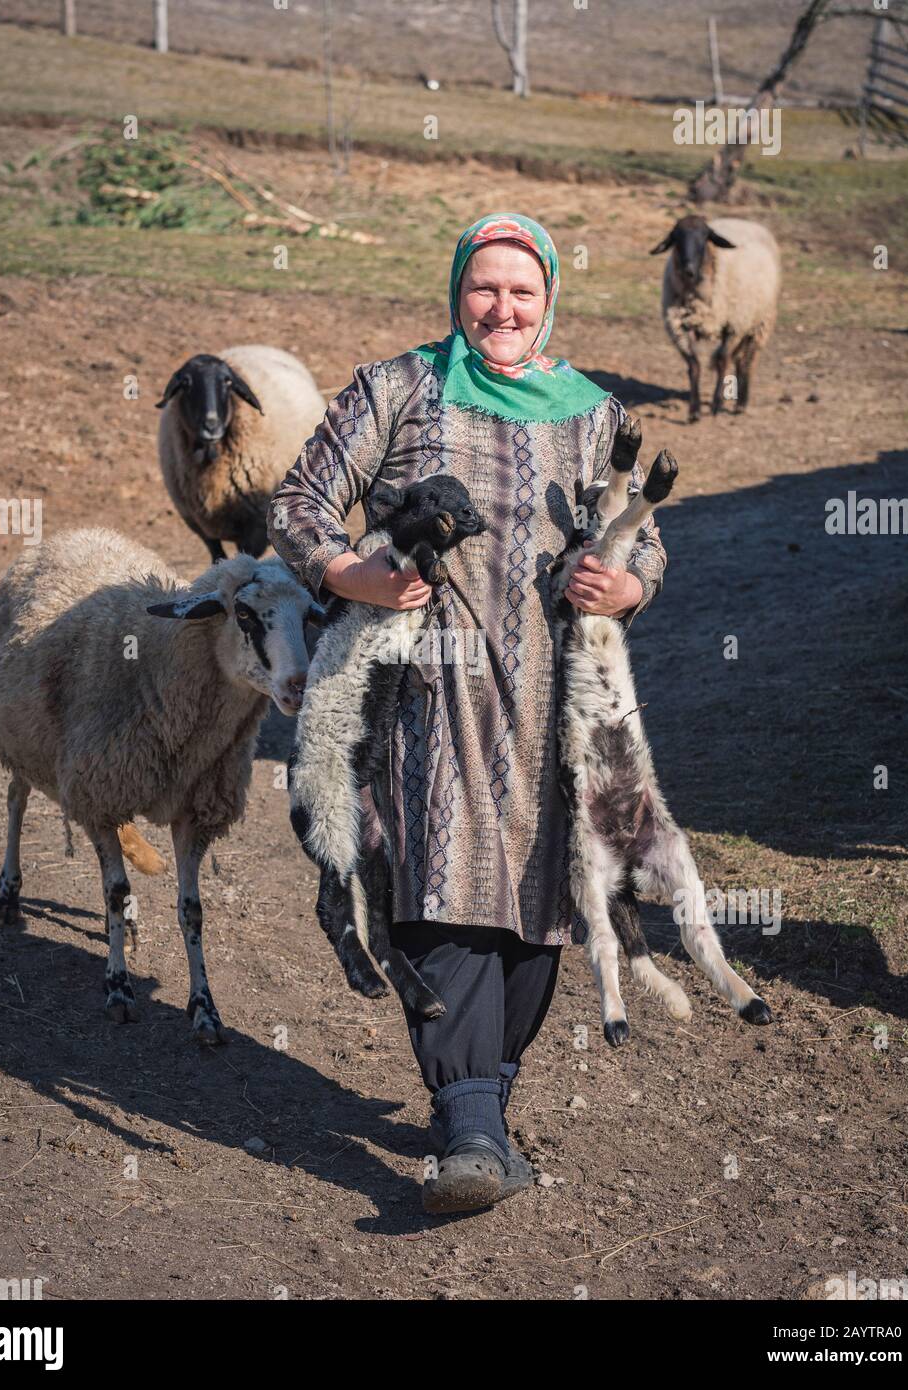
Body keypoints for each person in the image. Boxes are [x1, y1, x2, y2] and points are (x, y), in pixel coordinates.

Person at [270, 212, 667, 1214]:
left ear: (548, 301)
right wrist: (351, 571)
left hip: (549, 704)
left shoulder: (592, 413)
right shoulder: (394, 389)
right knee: (440, 887)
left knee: (538, 907)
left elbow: (640, 542)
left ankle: (483, 1107)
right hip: (424, 695)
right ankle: (471, 1126)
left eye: (521, 291)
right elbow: (297, 502)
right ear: (457, 293)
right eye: (483, 289)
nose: (501, 308)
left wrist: (621, 587)